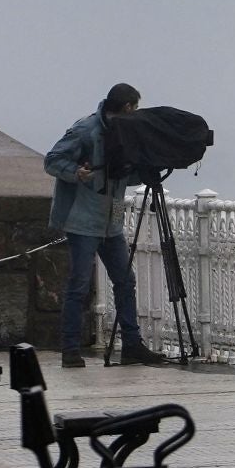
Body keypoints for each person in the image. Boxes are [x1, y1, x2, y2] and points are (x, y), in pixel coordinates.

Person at [45, 82, 165, 367]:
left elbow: (123, 177)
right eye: (134, 108)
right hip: (82, 219)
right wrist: (76, 172)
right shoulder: (86, 130)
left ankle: (132, 345)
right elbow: (52, 160)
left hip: (111, 219)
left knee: (125, 281)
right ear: (126, 107)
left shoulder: (123, 134)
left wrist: (148, 169)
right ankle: (70, 350)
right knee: (80, 285)